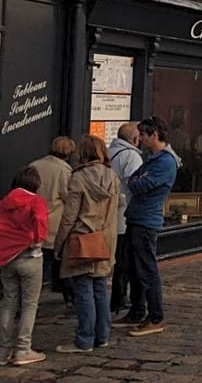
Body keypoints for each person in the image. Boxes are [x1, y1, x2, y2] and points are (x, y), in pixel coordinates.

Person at [54, 135, 120, 354]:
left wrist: (59, 244)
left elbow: (69, 217)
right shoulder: (112, 176)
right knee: (100, 288)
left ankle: (84, 339)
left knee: (83, 290)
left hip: (83, 238)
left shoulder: (78, 178)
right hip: (105, 239)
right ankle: (102, 336)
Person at [116, 116, 177, 337]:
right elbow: (133, 179)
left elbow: (139, 184)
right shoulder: (152, 158)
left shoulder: (165, 162)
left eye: (143, 135)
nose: (139, 139)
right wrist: (136, 180)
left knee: (146, 269)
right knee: (133, 268)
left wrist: (137, 180)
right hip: (135, 217)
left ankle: (155, 316)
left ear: (154, 135)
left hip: (146, 221)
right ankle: (137, 310)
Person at [0, 166, 49, 366]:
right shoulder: (36, 201)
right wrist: (38, 239)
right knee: (30, 304)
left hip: (7, 257)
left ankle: (3, 351)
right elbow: (39, 219)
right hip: (30, 256)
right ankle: (23, 349)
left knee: (9, 303)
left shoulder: (4, 202)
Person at [29, 136, 75, 305]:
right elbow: (69, 197)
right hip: (54, 224)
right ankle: (69, 297)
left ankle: (30, 300)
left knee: (37, 265)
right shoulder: (64, 171)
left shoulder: (34, 165)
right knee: (59, 262)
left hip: (33, 222)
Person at [107, 123, 144, 314]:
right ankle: (118, 298)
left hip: (107, 215)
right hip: (124, 214)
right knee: (123, 260)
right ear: (134, 139)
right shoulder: (131, 156)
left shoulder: (107, 151)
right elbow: (135, 185)